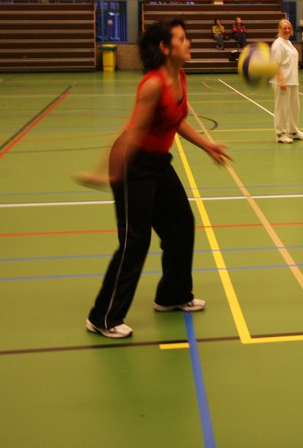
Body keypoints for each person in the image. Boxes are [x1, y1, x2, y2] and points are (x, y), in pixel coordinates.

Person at [85, 19, 232, 340]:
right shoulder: (152, 85)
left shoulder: (180, 77)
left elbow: (176, 120)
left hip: (158, 163)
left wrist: (206, 145)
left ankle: (172, 295)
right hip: (133, 166)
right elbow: (132, 133)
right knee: (135, 242)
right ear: (165, 48)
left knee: (181, 225)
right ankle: (103, 317)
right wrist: (105, 171)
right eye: (181, 39)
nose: (188, 42)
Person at [270, 19, 303, 144]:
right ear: (279, 29)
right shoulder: (278, 44)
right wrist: (281, 79)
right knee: (282, 108)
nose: (287, 30)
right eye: (284, 28)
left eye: (289, 28)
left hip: (292, 80)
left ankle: (293, 131)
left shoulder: (288, 42)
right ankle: (280, 134)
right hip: (282, 82)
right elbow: (275, 63)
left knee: (294, 108)